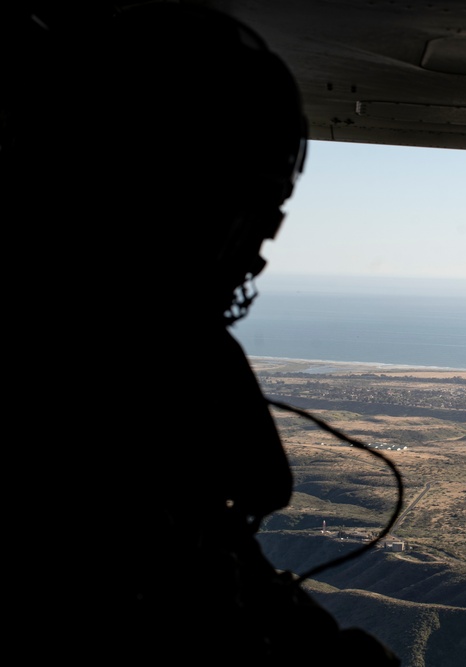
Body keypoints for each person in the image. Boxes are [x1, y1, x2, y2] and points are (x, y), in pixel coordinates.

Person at [4, 3, 398, 662]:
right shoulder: (89, 405)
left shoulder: (126, 374)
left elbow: (222, 583)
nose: (254, 253)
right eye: (246, 219)